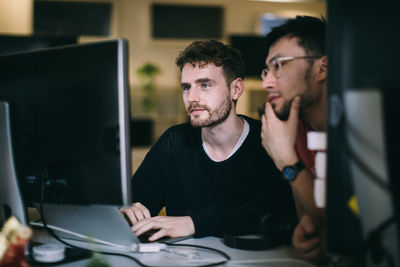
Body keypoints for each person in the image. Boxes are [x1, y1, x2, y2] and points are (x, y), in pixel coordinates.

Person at [121, 40, 295, 242]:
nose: (192, 97)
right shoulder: (173, 142)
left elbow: (276, 210)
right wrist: (128, 209)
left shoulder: (267, 141)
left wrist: (194, 223)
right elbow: (135, 202)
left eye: (205, 85)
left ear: (236, 89)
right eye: (186, 87)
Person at [260, 16, 328, 264]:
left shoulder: (356, 128)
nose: (267, 83)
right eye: (267, 69)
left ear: (322, 67)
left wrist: (286, 160)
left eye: (279, 65)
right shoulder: (295, 128)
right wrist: (313, 234)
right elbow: (314, 219)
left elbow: (351, 225)